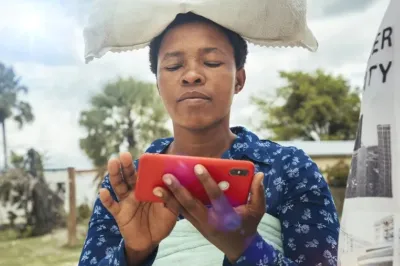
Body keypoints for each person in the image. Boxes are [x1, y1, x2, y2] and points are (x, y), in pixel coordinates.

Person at [78, 12, 339, 266]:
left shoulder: (289, 169)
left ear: (239, 79)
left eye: (212, 62)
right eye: (173, 66)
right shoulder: (129, 184)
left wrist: (246, 248)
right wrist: (134, 253)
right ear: (158, 84)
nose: (191, 75)